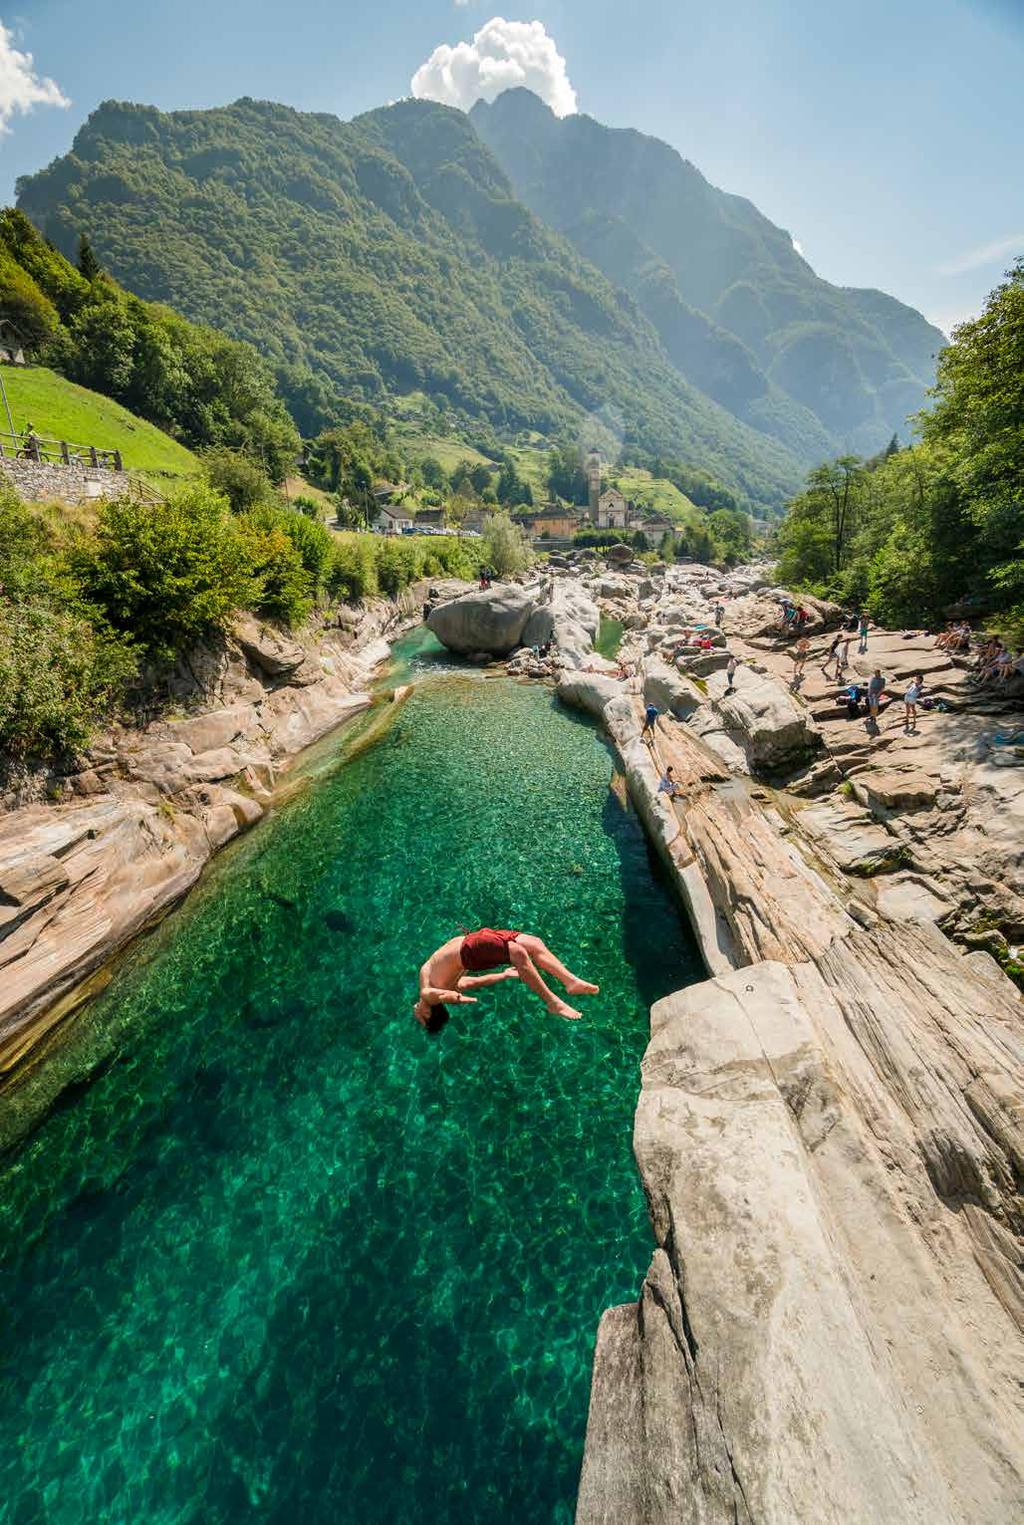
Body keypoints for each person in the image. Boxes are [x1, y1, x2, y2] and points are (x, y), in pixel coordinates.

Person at [414, 928, 599, 1030]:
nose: (419, 1011)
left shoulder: (429, 986)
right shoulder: (430, 989)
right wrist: (458, 999)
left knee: (533, 943)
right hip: (469, 949)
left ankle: (570, 982)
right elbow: (454, 989)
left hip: (470, 944)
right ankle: (553, 1003)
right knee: (519, 952)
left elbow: (459, 986)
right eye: (425, 1014)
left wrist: (502, 975)